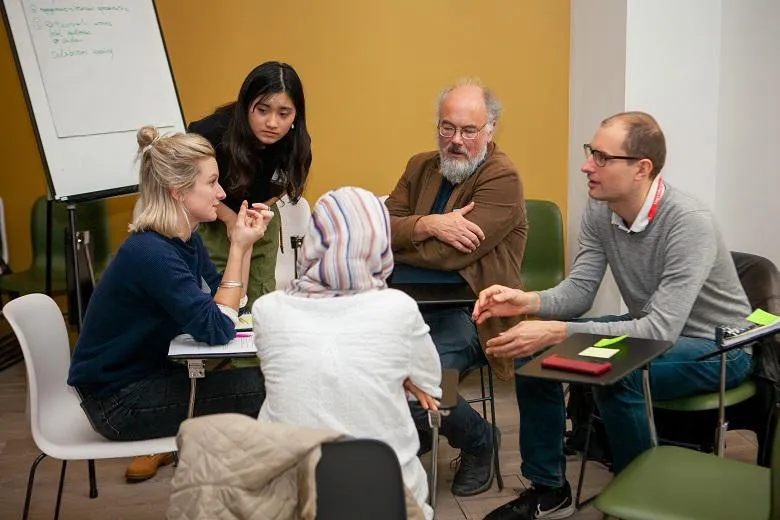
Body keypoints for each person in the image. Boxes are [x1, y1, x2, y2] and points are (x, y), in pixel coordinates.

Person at [475, 111, 753, 520]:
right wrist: (526, 302)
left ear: (642, 168)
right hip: (652, 333)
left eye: (602, 157)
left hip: (719, 346)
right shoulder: (600, 208)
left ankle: (641, 498)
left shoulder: (688, 222)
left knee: (614, 371)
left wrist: (557, 331)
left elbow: (660, 328)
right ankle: (550, 489)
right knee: (530, 353)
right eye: (591, 153)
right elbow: (580, 291)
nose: (587, 165)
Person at [67, 126, 273, 478]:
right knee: (268, 388)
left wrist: (245, 243)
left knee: (269, 382)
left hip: (146, 382)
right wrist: (238, 247)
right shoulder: (152, 254)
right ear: (178, 192)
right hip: (118, 403)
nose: (221, 193)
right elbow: (217, 326)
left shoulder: (182, 240)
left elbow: (229, 305)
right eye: (212, 183)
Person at [252, 187, 441, 520]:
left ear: (313, 237)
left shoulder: (268, 310)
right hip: (389, 499)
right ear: (380, 241)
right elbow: (431, 387)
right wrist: (402, 376)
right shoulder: (398, 308)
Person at [385, 79, 527, 497]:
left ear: (490, 129)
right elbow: (380, 227)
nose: (456, 141)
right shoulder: (419, 165)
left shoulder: (502, 177)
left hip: (467, 311)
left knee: (426, 381)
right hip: (401, 306)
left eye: (469, 130)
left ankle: (481, 439)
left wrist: (400, 241)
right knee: (372, 366)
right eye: (447, 128)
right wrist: (429, 224)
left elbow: (451, 257)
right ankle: (419, 428)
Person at [188, 61, 312, 306]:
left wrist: (260, 210)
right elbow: (190, 183)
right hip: (212, 217)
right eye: (263, 110)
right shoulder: (211, 133)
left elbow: (285, 183)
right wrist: (229, 219)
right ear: (246, 106)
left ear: (296, 114)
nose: (273, 123)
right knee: (218, 294)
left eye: (284, 114)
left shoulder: (295, 142)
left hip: (259, 217)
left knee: (259, 295)